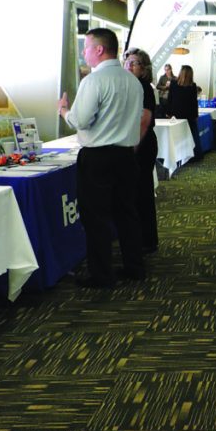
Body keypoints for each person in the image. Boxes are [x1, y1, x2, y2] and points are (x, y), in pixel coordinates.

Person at [58, 27, 144, 288]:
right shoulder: (133, 81)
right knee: (126, 213)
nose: (84, 53)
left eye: (86, 48)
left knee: (96, 217)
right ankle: (134, 267)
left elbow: (81, 120)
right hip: (126, 156)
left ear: (99, 49)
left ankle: (102, 274)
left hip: (98, 158)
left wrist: (64, 111)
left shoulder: (94, 81)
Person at [123, 47, 159, 254]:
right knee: (135, 193)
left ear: (144, 69)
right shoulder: (130, 86)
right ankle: (142, 238)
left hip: (141, 144)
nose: (129, 64)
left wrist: (131, 149)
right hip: (134, 142)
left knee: (142, 193)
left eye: (134, 62)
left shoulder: (143, 87)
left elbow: (144, 120)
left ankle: (146, 240)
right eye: (127, 61)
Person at [170, 64, 202, 159]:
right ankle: (195, 155)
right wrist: (195, 115)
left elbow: (170, 99)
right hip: (189, 114)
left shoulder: (173, 83)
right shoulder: (192, 86)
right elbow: (194, 102)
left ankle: (178, 156)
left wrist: (169, 112)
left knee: (177, 134)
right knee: (193, 135)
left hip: (177, 113)